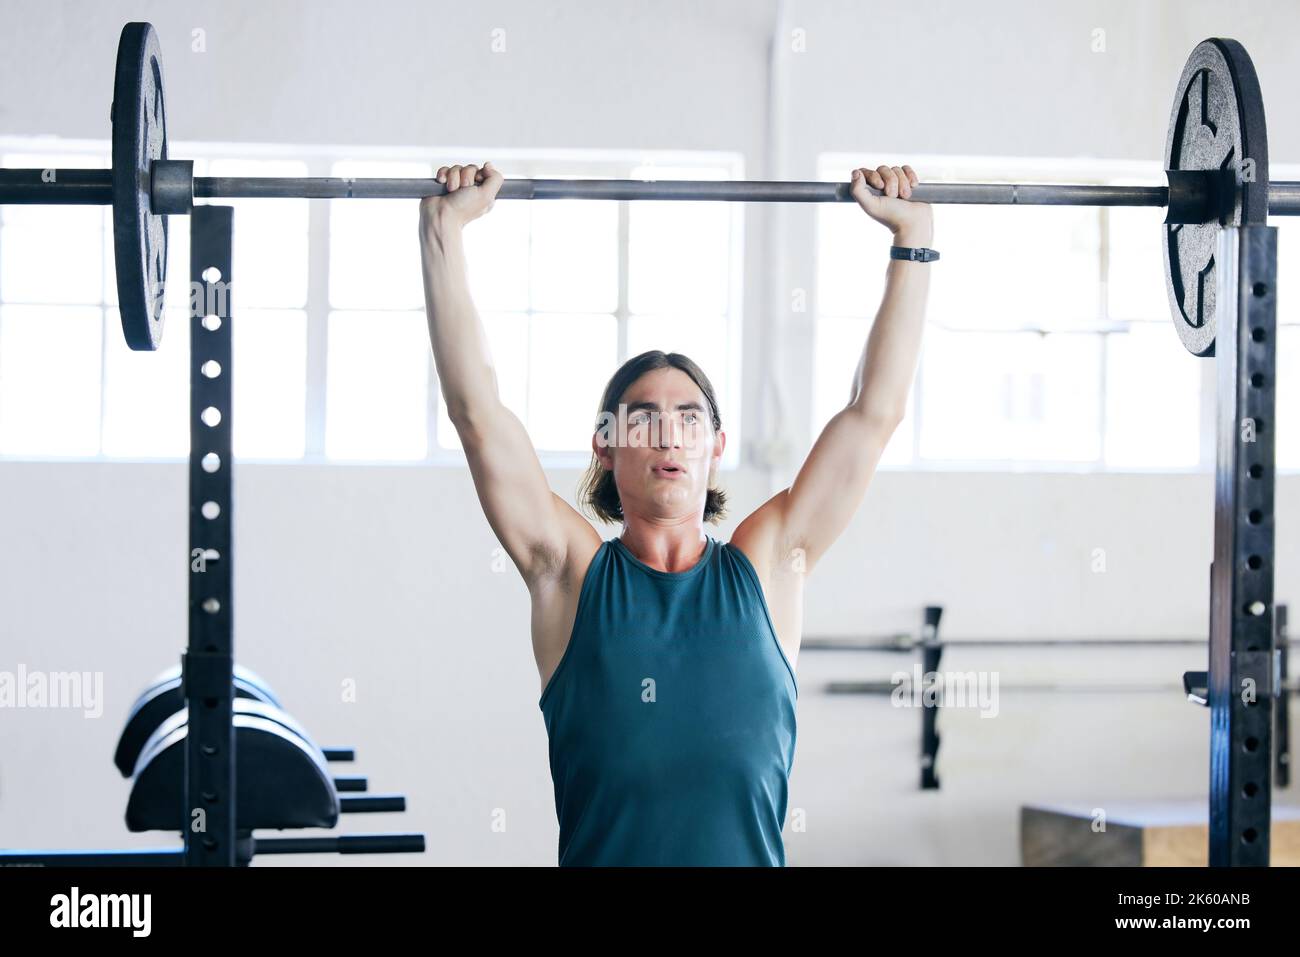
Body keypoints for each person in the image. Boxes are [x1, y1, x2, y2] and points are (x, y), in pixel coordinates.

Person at [419, 161, 933, 866]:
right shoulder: (569, 573)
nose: (669, 436)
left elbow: (874, 413)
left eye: (691, 419)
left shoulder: (770, 561)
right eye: (645, 419)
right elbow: (477, 415)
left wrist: (913, 242)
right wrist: (443, 232)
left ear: (716, 446)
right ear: (605, 442)